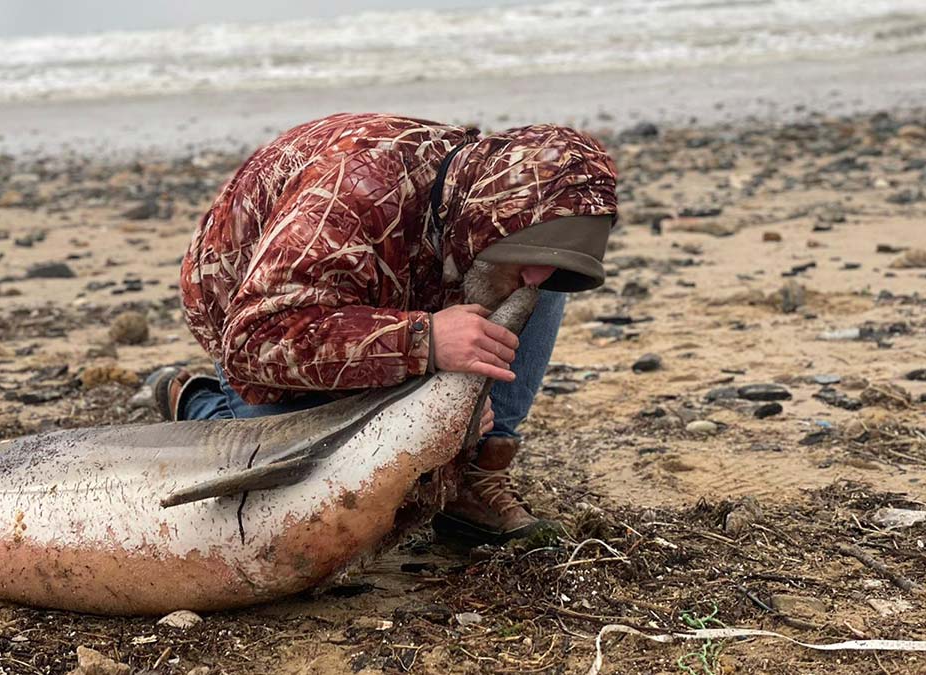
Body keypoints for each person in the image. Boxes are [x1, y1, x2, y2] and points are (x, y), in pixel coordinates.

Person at [149, 113, 617, 545]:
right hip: (259, 315)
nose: (539, 278)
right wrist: (425, 341)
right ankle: (199, 400)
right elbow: (255, 339)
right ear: (488, 212)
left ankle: (473, 474)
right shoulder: (350, 197)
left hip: (406, 292)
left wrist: (462, 402)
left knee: (533, 273)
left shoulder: (478, 213)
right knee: (298, 495)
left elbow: (524, 267)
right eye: (531, 253)